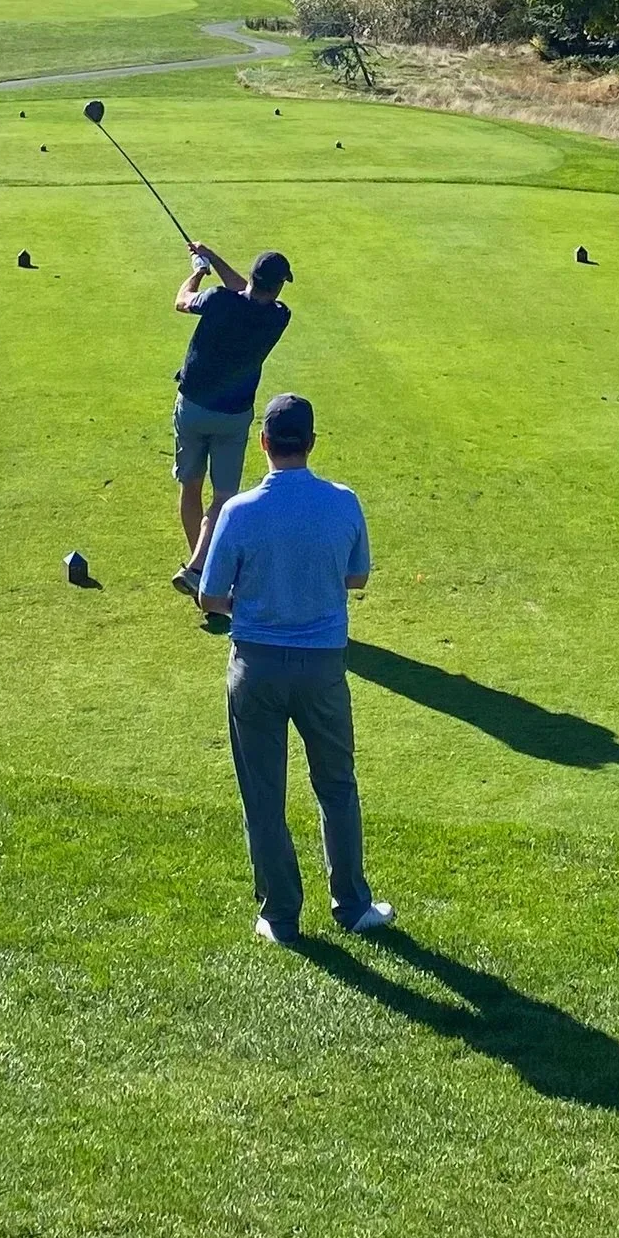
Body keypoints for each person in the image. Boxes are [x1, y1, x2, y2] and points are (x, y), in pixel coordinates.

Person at [197, 390, 392, 946]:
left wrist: (254, 602)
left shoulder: (238, 511)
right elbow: (356, 577)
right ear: (310, 443)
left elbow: (210, 596)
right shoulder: (343, 502)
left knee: (263, 794)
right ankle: (352, 904)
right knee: (337, 784)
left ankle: (281, 917)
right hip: (323, 668)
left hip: (255, 669)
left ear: (263, 443)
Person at [168, 242, 291, 607]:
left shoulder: (218, 300)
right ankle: (201, 570)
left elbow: (182, 300)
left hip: (193, 406)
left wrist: (199, 269)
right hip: (233, 416)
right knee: (222, 497)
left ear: (252, 276)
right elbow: (246, 293)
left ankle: (199, 569)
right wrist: (213, 258)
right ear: (279, 286)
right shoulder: (278, 316)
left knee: (191, 486)